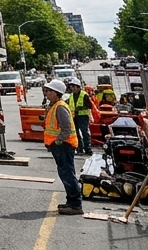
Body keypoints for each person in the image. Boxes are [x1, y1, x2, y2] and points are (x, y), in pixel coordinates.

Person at [42, 79, 83, 215]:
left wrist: (58, 141)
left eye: (49, 91)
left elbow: (66, 129)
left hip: (63, 146)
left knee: (67, 174)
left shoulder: (60, 107)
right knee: (65, 173)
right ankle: (71, 201)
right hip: (59, 146)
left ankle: (75, 204)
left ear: (57, 93)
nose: (46, 93)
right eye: (46, 90)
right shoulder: (54, 105)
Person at [67, 78, 97, 155]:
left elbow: (90, 105)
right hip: (74, 117)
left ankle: (87, 149)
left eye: (73, 86)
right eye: (71, 86)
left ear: (78, 86)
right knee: (76, 133)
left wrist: (80, 108)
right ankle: (79, 148)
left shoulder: (84, 95)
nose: (72, 88)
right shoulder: (71, 96)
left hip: (83, 116)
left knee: (84, 132)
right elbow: (67, 104)